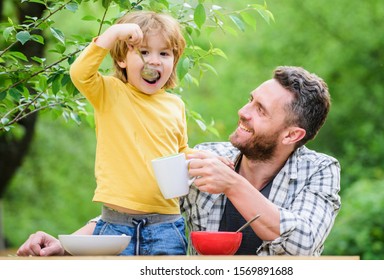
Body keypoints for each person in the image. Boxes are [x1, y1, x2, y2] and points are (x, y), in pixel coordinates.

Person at [17, 66, 341, 257]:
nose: (244, 112)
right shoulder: (210, 158)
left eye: (261, 110)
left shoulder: (319, 171)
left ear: (291, 135)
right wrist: (66, 245)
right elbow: (138, 213)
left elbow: (303, 243)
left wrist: (232, 185)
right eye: (250, 100)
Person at [68, 10, 192, 255]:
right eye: (144, 52)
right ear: (122, 59)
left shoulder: (175, 106)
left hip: (166, 226)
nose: (155, 60)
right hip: (115, 226)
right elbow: (79, 73)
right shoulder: (110, 92)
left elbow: (180, 153)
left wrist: (200, 160)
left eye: (164, 53)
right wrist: (113, 34)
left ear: (174, 61)